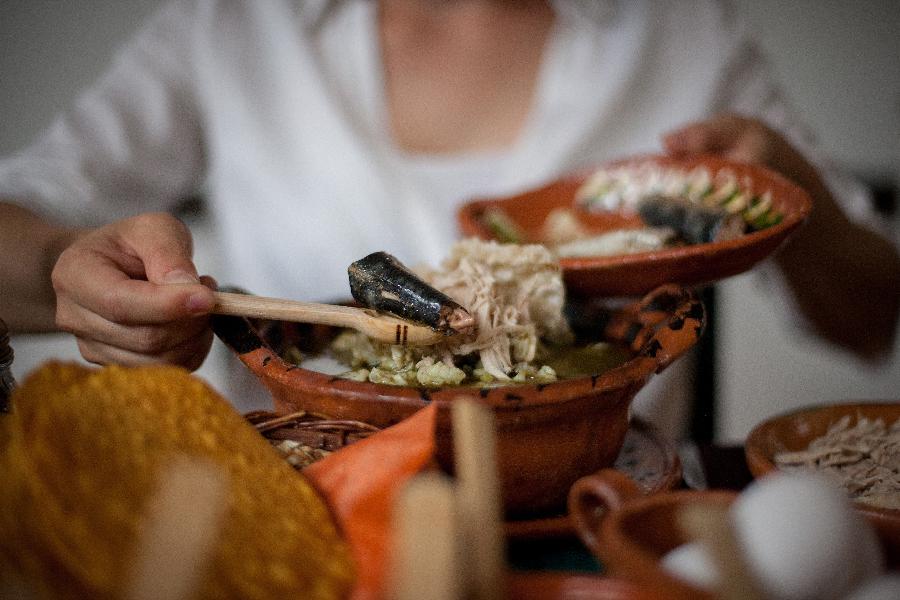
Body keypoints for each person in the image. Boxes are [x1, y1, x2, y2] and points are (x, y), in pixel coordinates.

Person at [1, 0, 898, 434]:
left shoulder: (687, 39)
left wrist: (784, 190)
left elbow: (872, 318)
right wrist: (74, 270)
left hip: (589, 521)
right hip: (299, 520)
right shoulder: (235, 26)